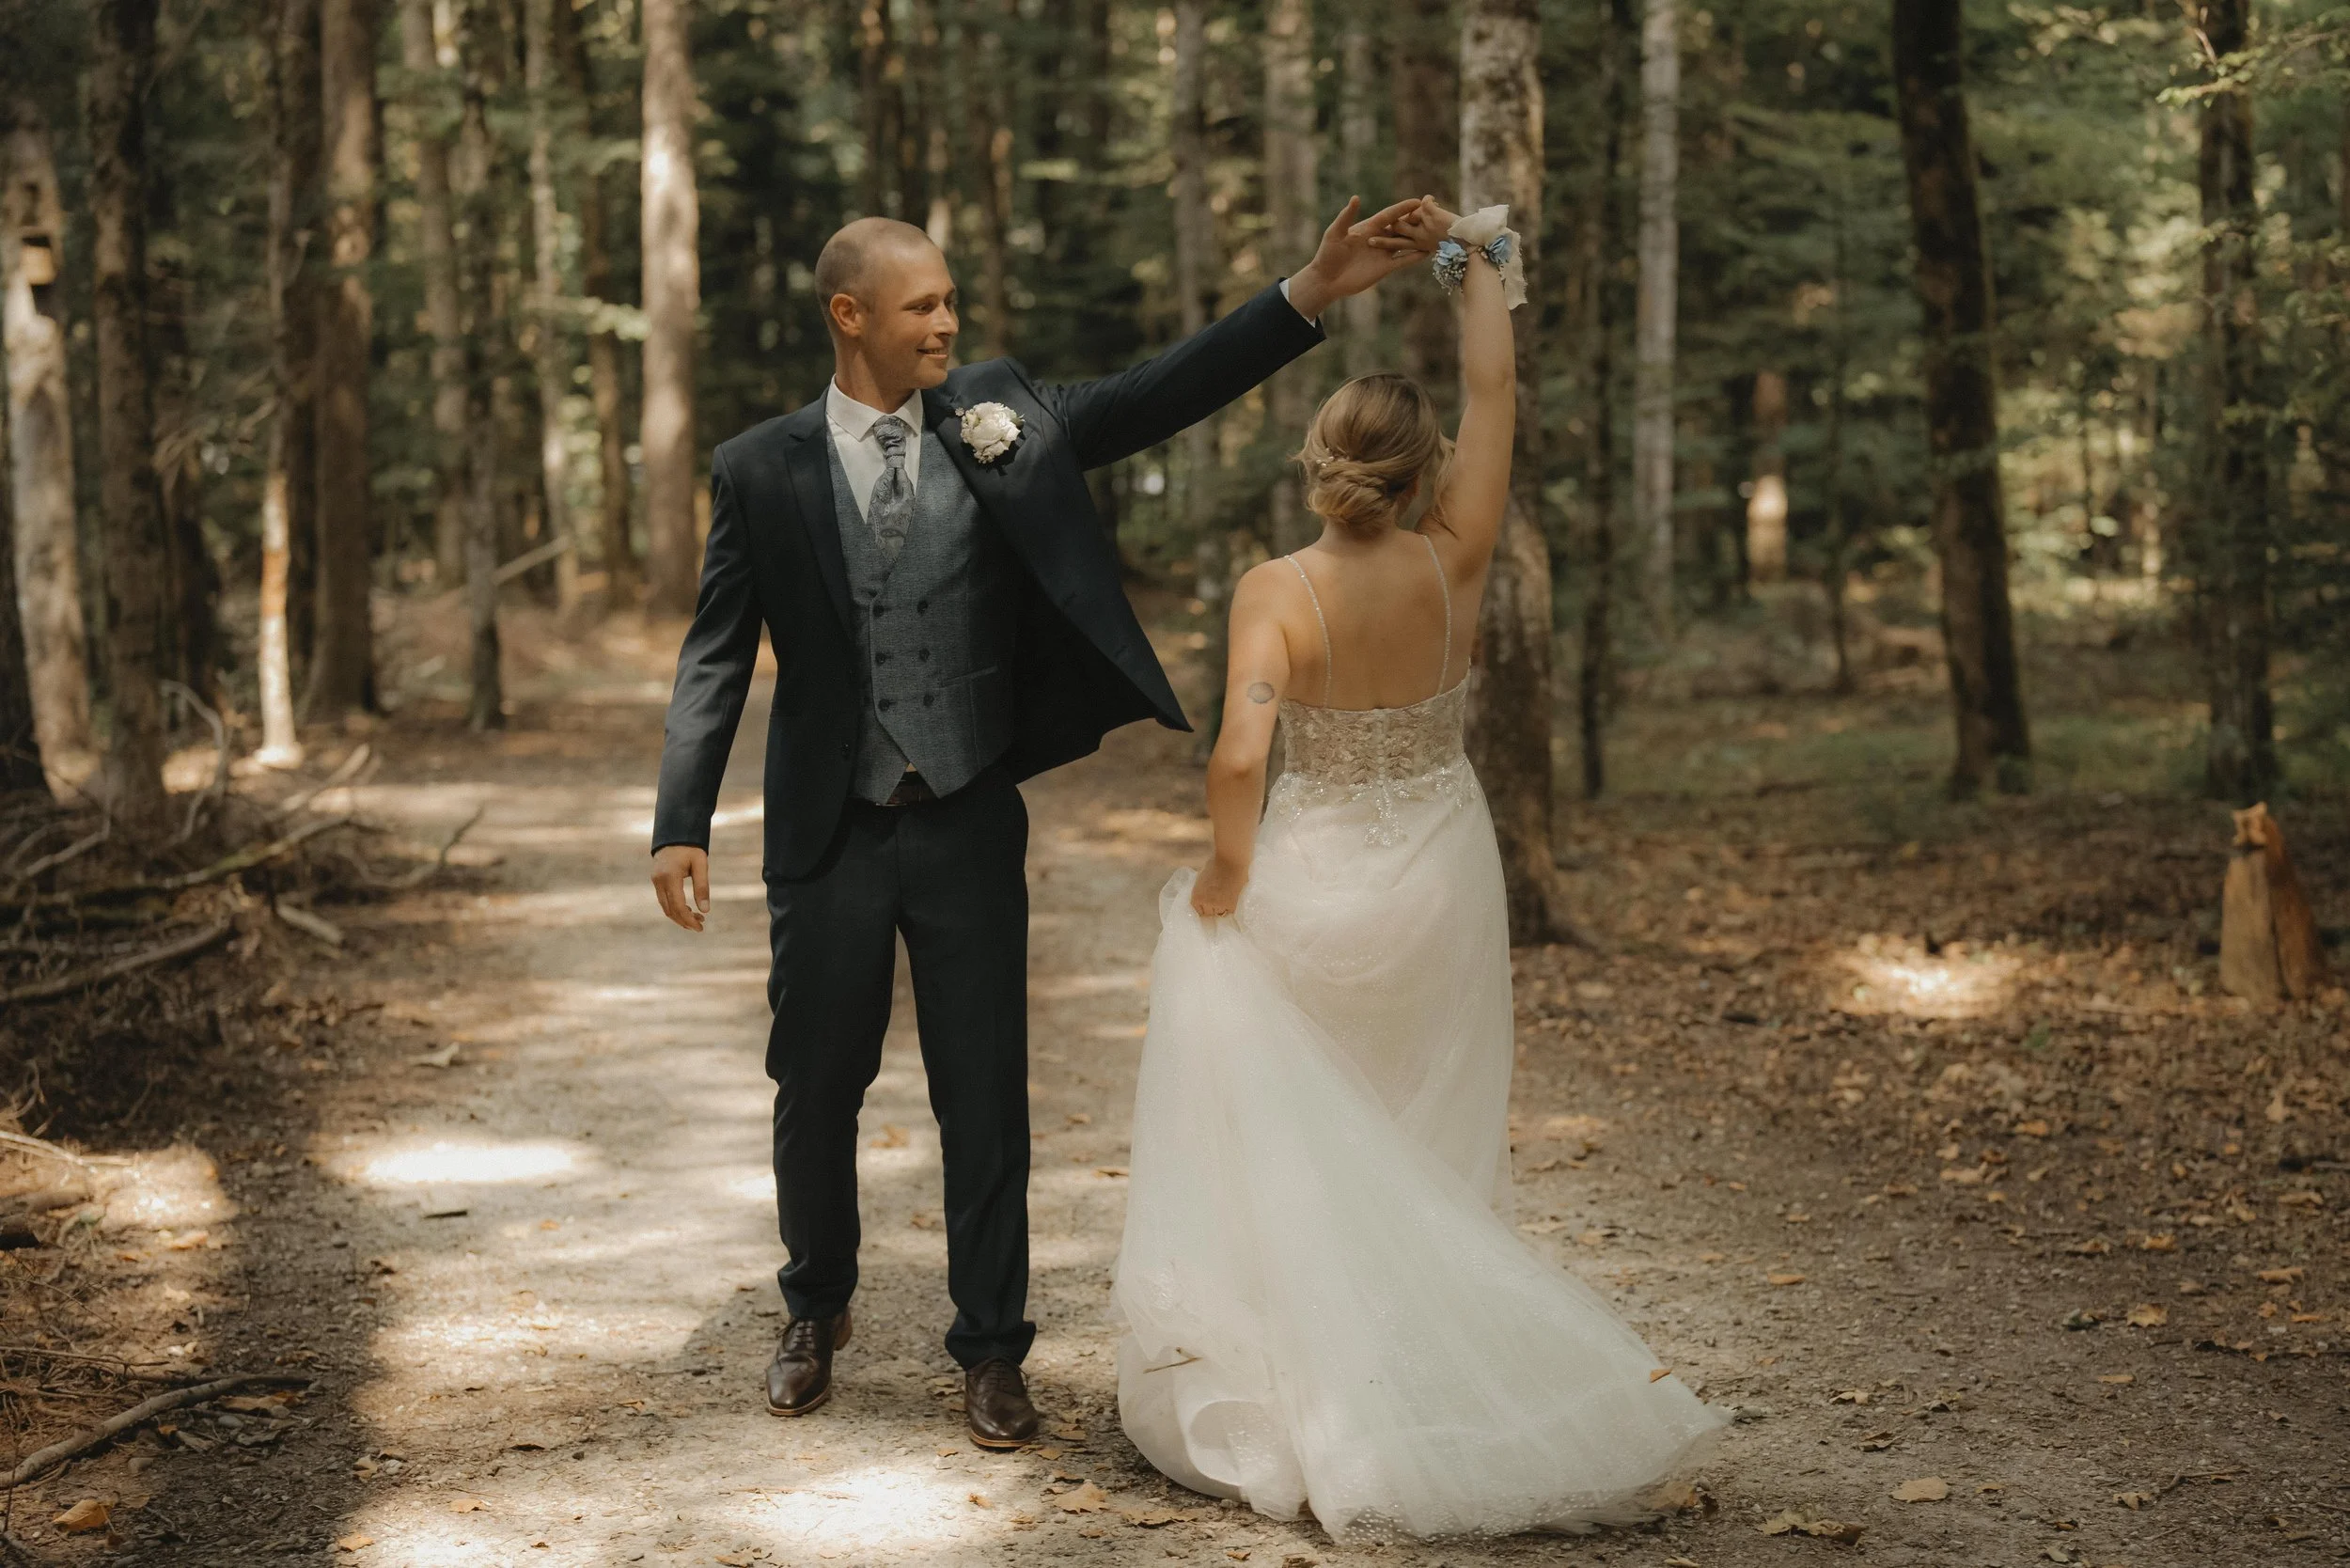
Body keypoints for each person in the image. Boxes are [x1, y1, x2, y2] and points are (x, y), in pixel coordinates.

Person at [647, 198, 1429, 1450]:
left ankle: (993, 1352)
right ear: (850, 318)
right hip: (827, 827)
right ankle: (813, 1307)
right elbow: (715, 653)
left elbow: (1161, 391)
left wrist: (1311, 289)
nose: (949, 321)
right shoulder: (758, 468)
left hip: (963, 812)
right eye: (924, 306)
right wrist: (679, 818)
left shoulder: (998, 415)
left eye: (952, 299)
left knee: (984, 1088)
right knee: (814, 1082)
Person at [1114, 198, 1728, 1536]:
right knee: (1423, 1133)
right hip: (1443, 873)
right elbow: (1494, 385)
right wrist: (1482, 262)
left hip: (1319, 881)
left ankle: (1311, 1377)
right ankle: (1421, 1369)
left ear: (1318, 463)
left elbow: (1236, 761)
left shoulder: (1276, 591)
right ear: (1423, 468)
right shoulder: (1461, 555)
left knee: (1305, 1140)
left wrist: (1225, 877)